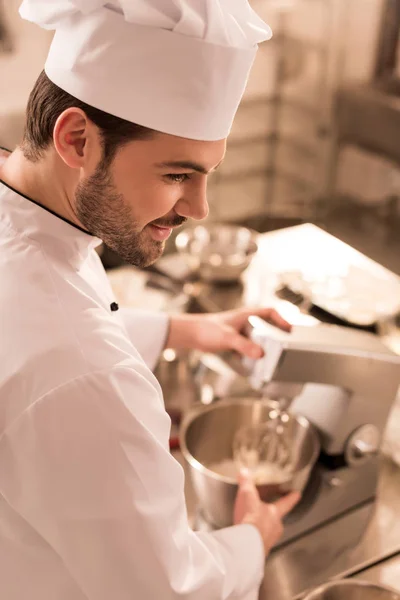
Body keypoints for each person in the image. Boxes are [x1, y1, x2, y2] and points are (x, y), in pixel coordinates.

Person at [0, 2, 300, 599]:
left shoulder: (26, 221)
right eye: (176, 175)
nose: (199, 208)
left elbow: (31, 336)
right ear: (78, 139)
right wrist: (252, 539)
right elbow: (164, 588)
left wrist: (181, 330)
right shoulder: (86, 372)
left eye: (207, 173)